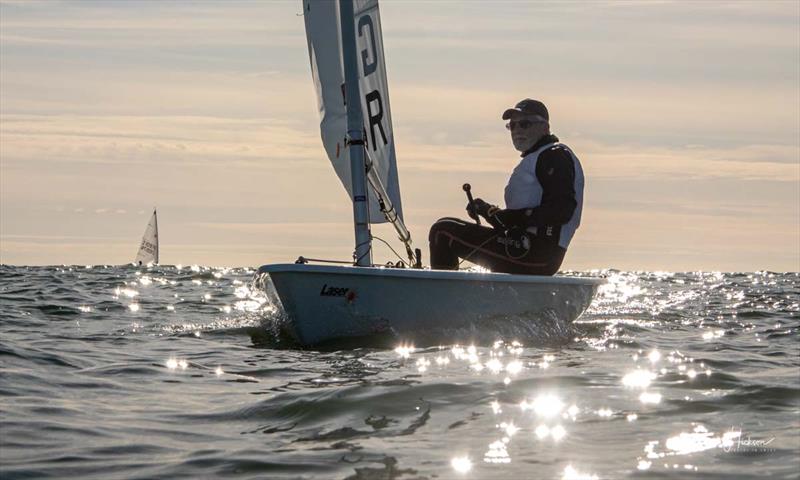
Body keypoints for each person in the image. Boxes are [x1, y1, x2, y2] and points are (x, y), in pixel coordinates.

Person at [428, 98, 584, 275]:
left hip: (538, 254)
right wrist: (489, 212)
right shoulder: (538, 157)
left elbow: (561, 210)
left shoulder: (554, 155)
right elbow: (520, 218)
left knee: (442, 232)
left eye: (524, 124)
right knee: (444, 225)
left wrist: (507, 217)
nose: (517, 130)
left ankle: (444, 299)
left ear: (545, 128)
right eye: (512, 125)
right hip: (524, 246)